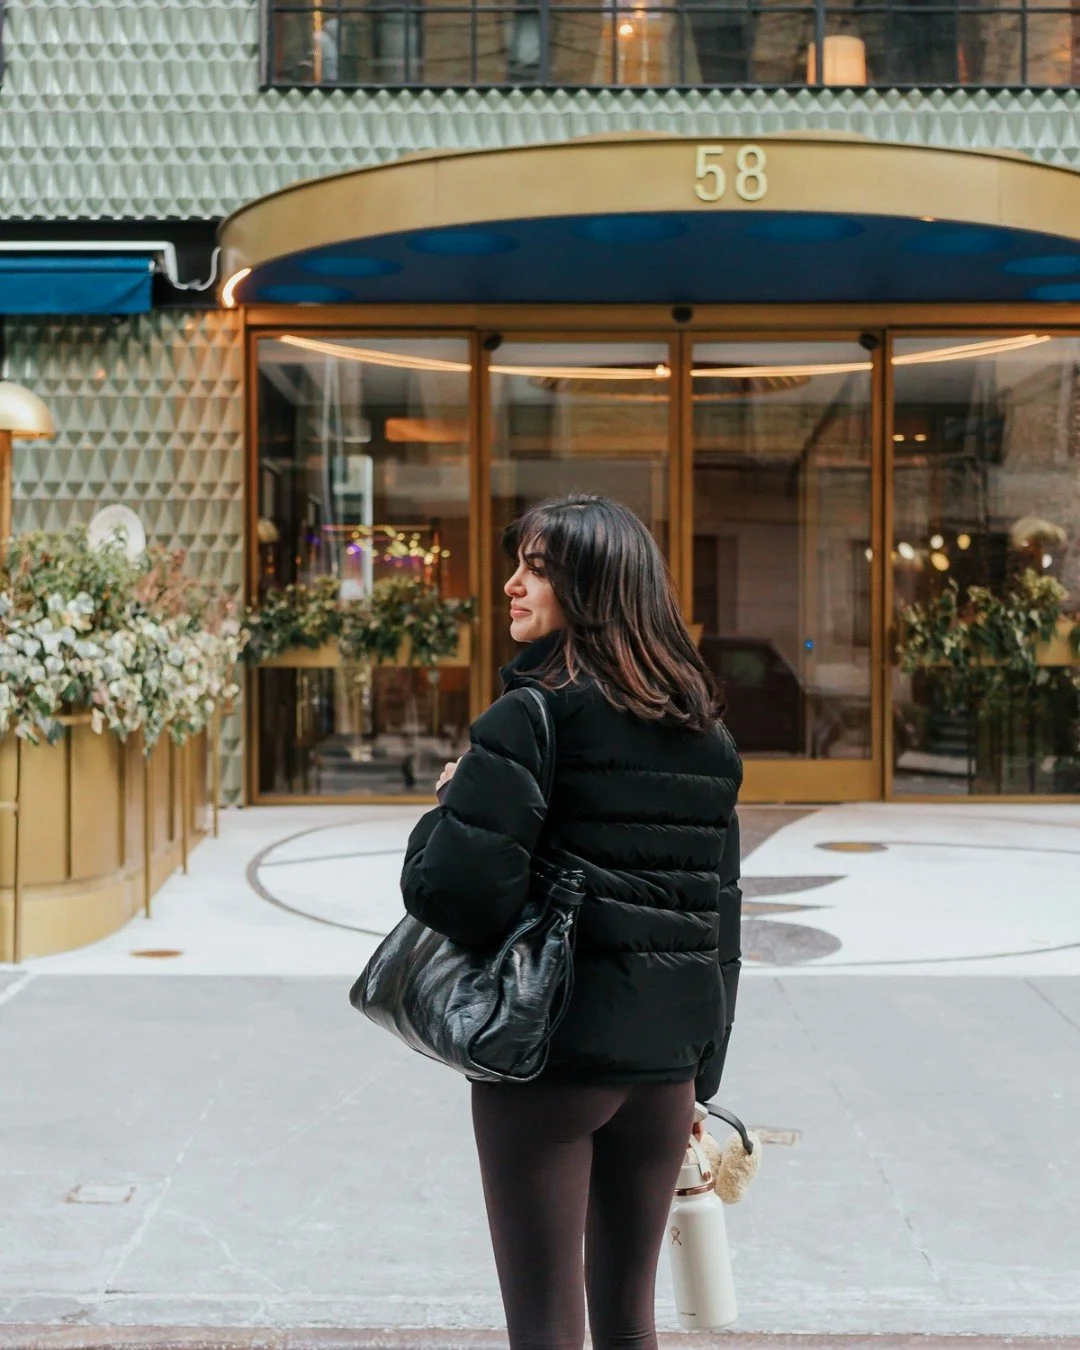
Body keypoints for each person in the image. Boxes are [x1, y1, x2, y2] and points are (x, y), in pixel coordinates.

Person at [400, 494, 742, 1350]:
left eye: (537, 569)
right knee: (629, 1324)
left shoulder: (531, 715)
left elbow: (454, 894)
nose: (512, 584)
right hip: (662, 1069)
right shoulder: (705, 736)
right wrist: (700, 1075)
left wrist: (450, 803)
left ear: (589, 586)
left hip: (548, 1060)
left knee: (545, 1330)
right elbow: (719, 920)